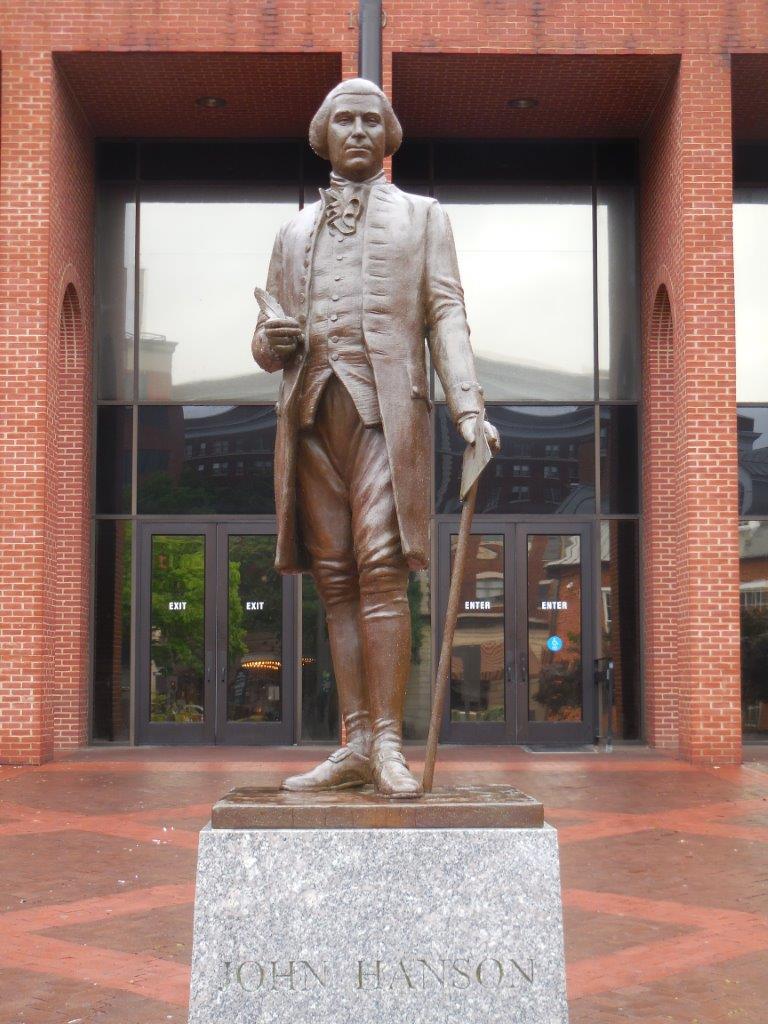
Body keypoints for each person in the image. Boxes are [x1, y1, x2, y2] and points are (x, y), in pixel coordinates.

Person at [252, 78, 499, 798]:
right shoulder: (293, 231)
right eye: (344, 120)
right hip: (309, 417)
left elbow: (446, 313)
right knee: (335, 581)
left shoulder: (424, 217)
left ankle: (389, 741)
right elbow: (267, 347)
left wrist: (468, 408)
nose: (357, 130)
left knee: (383, 571)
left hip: (386, 418)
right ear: (323, 135)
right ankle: (355, 740)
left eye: (370, 120)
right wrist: (272, 339)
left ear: (388, 137)